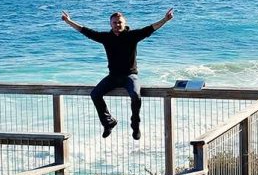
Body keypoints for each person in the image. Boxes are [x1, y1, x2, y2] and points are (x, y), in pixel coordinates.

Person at [61, 8, 174, 139]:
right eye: (114, 22)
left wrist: (165, 19)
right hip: (113, 76)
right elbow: (86, 31)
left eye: (119, 22)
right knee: (95, 94)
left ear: (124, 23)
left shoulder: (132, 36)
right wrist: (69, 22)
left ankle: (135, 125)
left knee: (136, 96)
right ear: (110, 24)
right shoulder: (106, 38)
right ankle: (108, 122)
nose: (117, 25)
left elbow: (150, 28)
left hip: (130, 76)